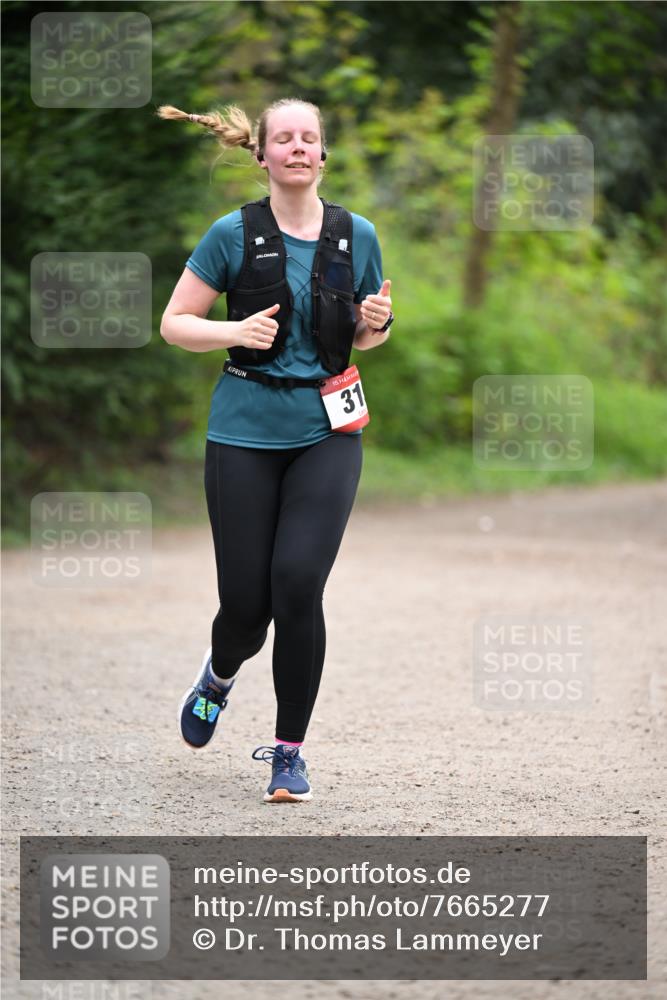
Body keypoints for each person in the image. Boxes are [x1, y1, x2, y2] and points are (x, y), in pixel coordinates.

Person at [158, 97, 393, 803]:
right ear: (260, 154)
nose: (297, 147)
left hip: (327, 431)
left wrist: (374, 324)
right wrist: (232, 335)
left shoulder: (358, 235)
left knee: (296, 585)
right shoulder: (232, 233)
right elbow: (175, 323)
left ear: (322, 156)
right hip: (242, 433)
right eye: (283, 138)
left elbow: (366, 335)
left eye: (309, 138)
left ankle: (288, 753)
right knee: (244, 610)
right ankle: (219, 674)